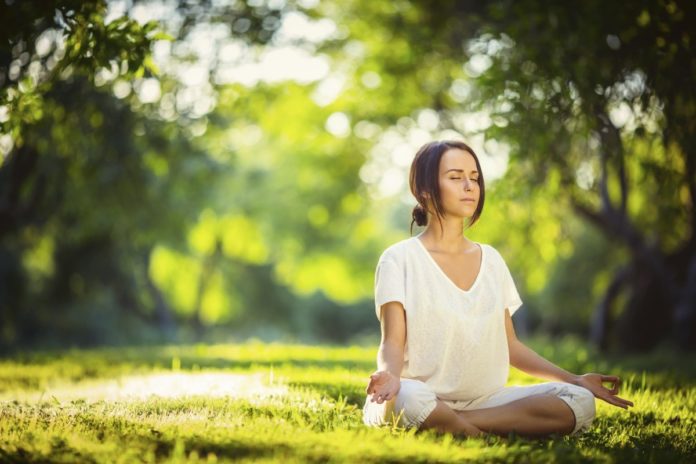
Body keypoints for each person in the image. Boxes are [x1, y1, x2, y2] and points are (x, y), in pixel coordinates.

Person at [362, 140, 633, 438]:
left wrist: (577, 379)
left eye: (475, 178)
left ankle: (453, 423)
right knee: (409, 400)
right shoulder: (398, 259)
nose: (470, 186)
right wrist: (389, 375)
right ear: (424, 190)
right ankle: (477, 430)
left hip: (486, 400)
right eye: (455, 177)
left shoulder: (491, 260)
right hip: (419, 393)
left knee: (579, 401)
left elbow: (511, 346)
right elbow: (392, 342)